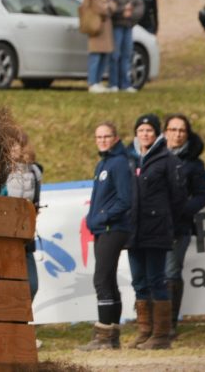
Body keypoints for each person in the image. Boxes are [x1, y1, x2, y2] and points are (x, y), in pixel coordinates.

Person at [125, 114, 183, 350]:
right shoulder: (129, 159)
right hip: (133, 230)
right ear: (136, 134)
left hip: (157, 230)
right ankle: (144, 330)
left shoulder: (167, 160)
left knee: (157, 280)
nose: (145, 134)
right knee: (139, 281)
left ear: (157, 134)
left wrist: (168, 222)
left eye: (149, 130)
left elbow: (177, 197)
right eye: (141, 130)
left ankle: (161, 335)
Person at [79, 122, 133, 351]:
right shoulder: (103, 163)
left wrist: (102, 217)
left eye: (106, 136)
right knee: (108, 280)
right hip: (103, 229)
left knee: (101, 279)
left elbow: (125, 200)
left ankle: (102, 336)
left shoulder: (119, 163)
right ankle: (112, 337)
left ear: (116, 138)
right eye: (98, 136)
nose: (102, 140)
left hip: (114, 228)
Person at [163, 114, 205, 340]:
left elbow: (202, 196)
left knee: (171, 273)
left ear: (187, 134)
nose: (177, 134)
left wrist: (181, 210)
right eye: (172, 129)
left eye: (181, 130)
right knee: (153, 275)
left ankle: (170, 323)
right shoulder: (154, 157)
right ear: (165, 133)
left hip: (178, 227)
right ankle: (152, 322)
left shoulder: (194, 163)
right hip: (152, 227)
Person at [2, 130, 43, 301]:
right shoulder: (1, 171)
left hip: (26, 236)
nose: (12, 149)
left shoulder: (34, 171)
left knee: (32, 285)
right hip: (6, 236)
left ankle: (22, 322)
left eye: (15, 144)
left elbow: (36, 201)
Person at [106, 0, 144, 93]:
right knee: (115, 55)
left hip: (128, 26)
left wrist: (131, 14)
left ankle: (126, 84)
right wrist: (123, 10)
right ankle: (113, 84)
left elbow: (140, 7)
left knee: (127, 55)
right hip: (116, 26)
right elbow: (110, 8)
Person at [81, 0, 114, 94]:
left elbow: (112, 6)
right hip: (96, 27)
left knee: (103, 56)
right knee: (95, 56)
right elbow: (100, 8)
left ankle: (98, 81)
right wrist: (107, 6)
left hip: (104, 29)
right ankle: (92, 82)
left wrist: (108, 6)